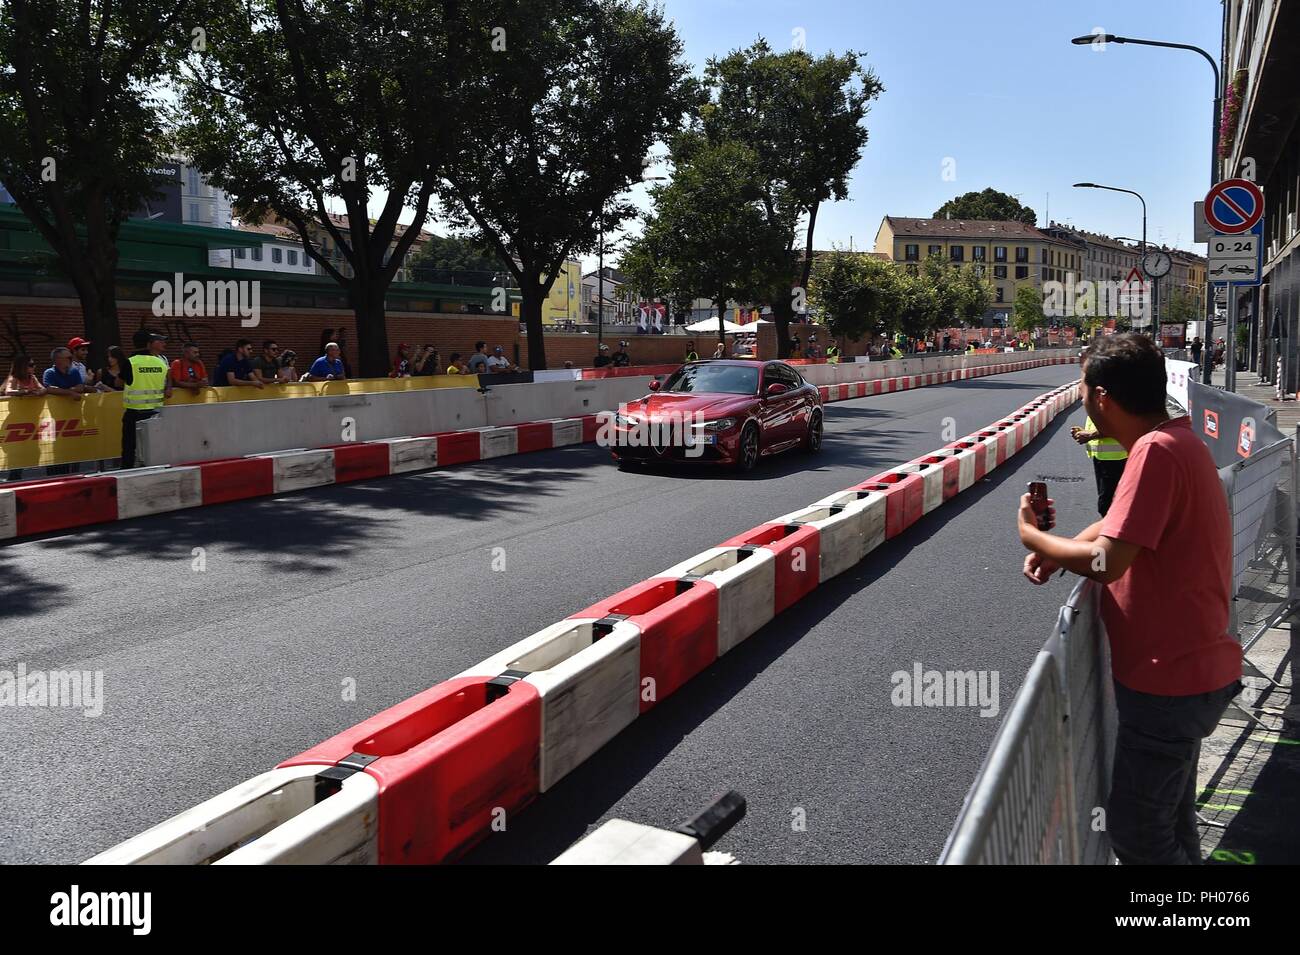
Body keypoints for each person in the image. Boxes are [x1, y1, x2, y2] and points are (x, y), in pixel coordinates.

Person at [1018, 333, 1240, 865]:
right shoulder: (1174, 441)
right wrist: (1062, 549)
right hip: (1191, 674)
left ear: (1101, 397)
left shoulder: (1156, 453)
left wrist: (1032, 537)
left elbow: (1108, 562)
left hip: (1170, 684)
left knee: (1139, 834)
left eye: (1081, 386)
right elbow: (1117, 530)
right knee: (1172, 826)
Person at [117, 329, 173, 469]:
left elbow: (118, 383)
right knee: (153, 446)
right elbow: (167, 382)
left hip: (134, 413)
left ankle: (128, 470)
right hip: (155, 413)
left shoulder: (130, 362)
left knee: (130, 445)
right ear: (149, 344)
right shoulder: (161, 363)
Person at [1072, 415, 1128, 515]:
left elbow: (1119, 425)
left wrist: (1090, 435)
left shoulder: (1113, 399)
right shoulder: (1102, 400)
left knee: (1107, 506)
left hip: (1115, 458)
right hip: (1103, 456)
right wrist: (1085, 432)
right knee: (1109, 504)